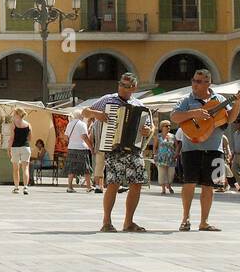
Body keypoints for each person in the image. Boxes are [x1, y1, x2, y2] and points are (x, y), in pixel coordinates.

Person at [170, 69, 240, 232]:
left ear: (208, 83)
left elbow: (230, 118)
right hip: (190, 148)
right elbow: (174, 116)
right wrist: (193, 113)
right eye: (194, 80)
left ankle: (204, 221)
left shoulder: (220, 99)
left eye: (199, 81)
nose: (194, 84)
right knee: (189, 183)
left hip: (214, 148)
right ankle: (185, 218)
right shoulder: (187, 99)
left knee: (209, 185)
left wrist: (237, 103)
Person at [83, 72, 152, 232]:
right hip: (113, 148)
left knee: (137, 183)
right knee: (113, 183)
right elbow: (85, 112)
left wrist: (147, 130)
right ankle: (106, 222)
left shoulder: (138, 104)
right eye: (120, 84)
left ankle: (129, 222)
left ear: (134, 88)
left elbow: (149, 126)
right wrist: (96, 114)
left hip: (134, 150)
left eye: (126, 86)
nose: (121, 88)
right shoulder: (108, 99)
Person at [65, 114, 93, 193]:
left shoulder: (69, 124)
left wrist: (72, 141)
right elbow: (85, 137)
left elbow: (66, 137)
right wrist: (91, 147)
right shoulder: (82, 124)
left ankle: (70, 187)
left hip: (71, 148)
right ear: (81, 116)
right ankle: (88, 186)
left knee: (71, 168)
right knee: (86, 168)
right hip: (81, 148)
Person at [7, 107, 32, 194]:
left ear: (17, 114)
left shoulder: (13, 124)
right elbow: (30, 138)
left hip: (15, 147)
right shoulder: (28, 125)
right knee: (25, 168)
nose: (13, 116)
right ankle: (25, 187)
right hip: (26, 147)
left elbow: (11, 138)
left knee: (15, 168)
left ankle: (16, 187)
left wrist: (8, 149)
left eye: (14, 114)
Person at [152, 120, 177, 195]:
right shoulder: (158, 136)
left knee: (171, 173)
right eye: (166, 126)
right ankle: (163, 189)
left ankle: (169, 185)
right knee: (162, 173)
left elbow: (176, 146)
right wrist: (154, 155)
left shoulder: (173, 136)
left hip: (171, 158)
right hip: (161, 157)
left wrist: (176, 155)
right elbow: (155, 147)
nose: (169, 127)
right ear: (162, 127)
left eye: (169, 125)